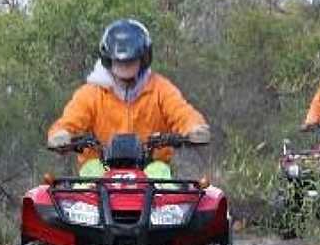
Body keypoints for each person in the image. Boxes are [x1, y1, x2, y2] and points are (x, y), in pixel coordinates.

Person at [47, 18, 210, 178]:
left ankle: (160, 204)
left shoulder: (160, 89)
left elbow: (181, 112)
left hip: (148, 164)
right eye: (119, 61)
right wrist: (62, 134)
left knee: (160, 173)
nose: (125, 66)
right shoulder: (91, 93)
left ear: (143, 58)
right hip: (103, 165)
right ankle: (88, 203)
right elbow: (70, 120)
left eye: (131, 60)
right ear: (108, 59)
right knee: (92, 171)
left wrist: (194, 128)